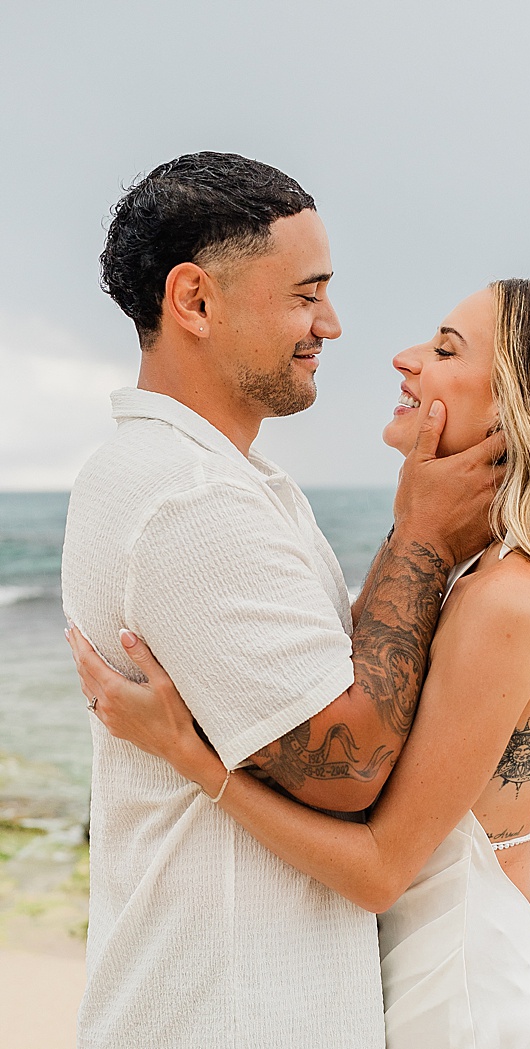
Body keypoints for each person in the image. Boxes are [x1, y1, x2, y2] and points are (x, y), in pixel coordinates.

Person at [70, 278, 530, 1046]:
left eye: (445, 349)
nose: (405, 359)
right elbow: (355, 683)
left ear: (516, 407)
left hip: (459, 1001)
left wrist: (191, 756)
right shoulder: (488, 576)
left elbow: (379, 870)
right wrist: (420, 529)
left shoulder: (505, 600)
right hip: (437, 978)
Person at [61, 152, 503, 1048]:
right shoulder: (188, 501)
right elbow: (350, 769)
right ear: (195, 301)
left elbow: (337, 687)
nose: (332, 325)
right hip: (222, 1015)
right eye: (307, 294)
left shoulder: (223, 482)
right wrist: (419, 535)